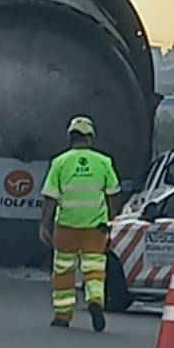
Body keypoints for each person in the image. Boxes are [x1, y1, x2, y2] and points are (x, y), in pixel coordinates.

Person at [39, 115, 122, 331]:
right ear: (90, 138)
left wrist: (43, 225)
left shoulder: (60, 162)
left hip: (66, 226)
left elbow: (50, 196)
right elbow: (114, 194)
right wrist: (112, 219)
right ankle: (95, 300)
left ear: (71, 137)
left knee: (63, 270)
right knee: (94, 269)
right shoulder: (104, 162)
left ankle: (62, 316)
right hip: (95, 228)